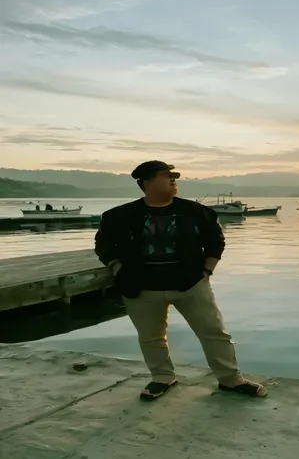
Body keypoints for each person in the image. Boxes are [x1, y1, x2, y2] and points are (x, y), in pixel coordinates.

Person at [94, 160, 267, 401]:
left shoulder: (196, 212)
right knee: (151, 337)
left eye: (175, 175)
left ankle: (230, 379)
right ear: (146, 182)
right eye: (167, 175)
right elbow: (103, 246)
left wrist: (206, 273)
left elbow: (216, 242)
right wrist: (118, 270)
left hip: (191, 285)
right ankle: (162, 377)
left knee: (214, 332)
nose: (174, 178)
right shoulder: (119, 216)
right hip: (141, 288)